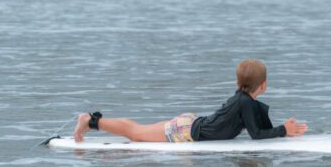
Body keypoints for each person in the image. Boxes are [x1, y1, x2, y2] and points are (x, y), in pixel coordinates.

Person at [73, 58, 308, 143]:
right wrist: (283, 131)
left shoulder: (246, 101)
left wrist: (283, 129)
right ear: (264, 85)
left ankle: (92, 122)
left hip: (191, 125)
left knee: (138, 130)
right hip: (187, 131)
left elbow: (261, 129)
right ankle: (90, 121)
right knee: (135, 134)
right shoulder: (245, 103)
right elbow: (257, 135)